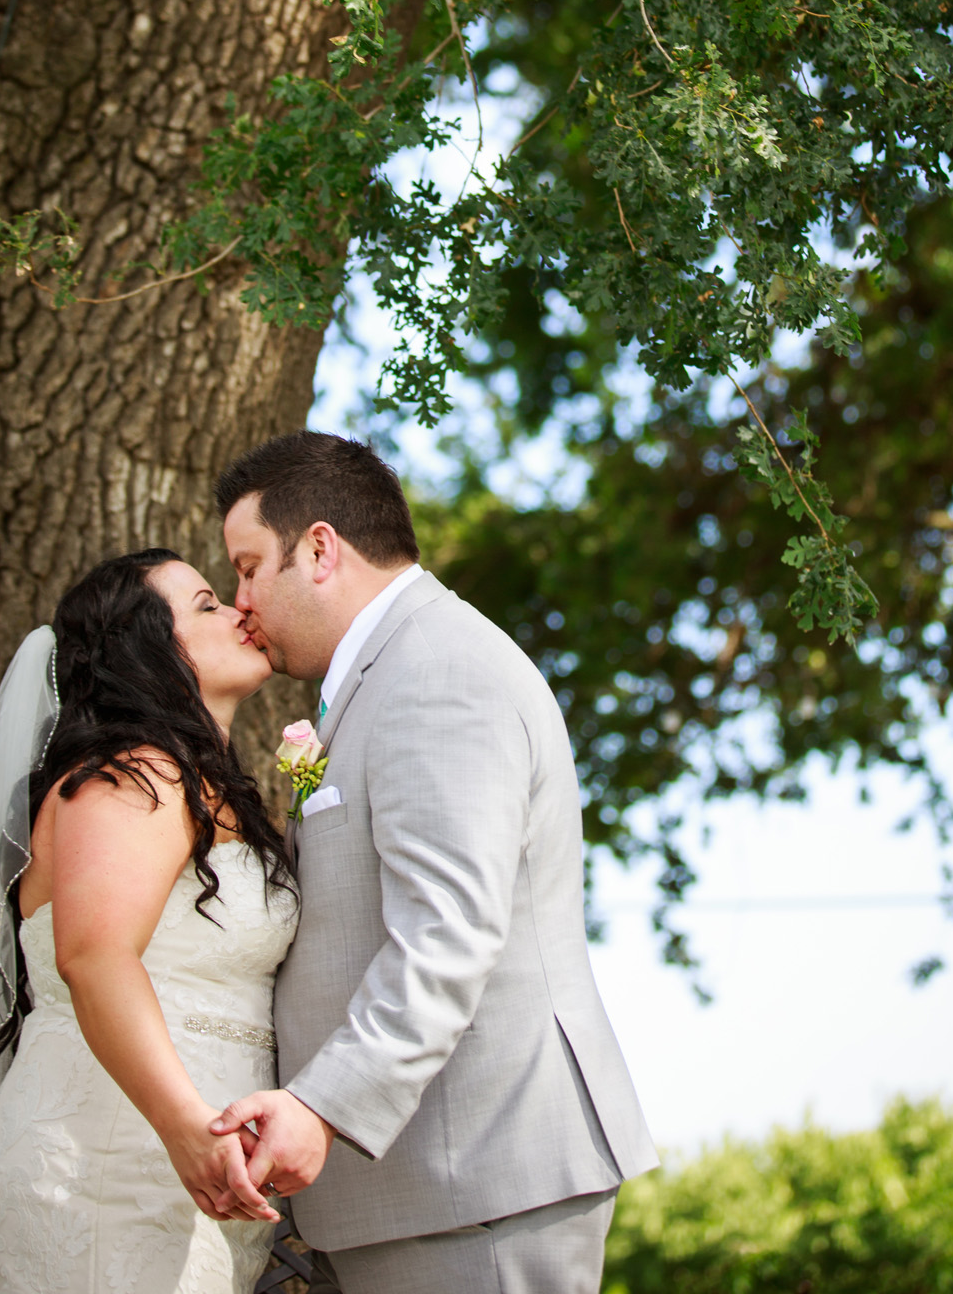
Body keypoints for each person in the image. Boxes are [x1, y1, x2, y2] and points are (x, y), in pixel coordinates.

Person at [212, 430, 657, 1294]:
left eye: (247, 565)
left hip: (477, 1180)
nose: (240, 600)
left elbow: (448, 932)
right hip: (432, 1186)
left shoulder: (438, 670)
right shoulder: (395, 669)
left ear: (317, 548)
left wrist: (324, 1103)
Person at [0, 547, 297, 1294]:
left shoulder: (208, 788)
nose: (239, 610)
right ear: (146, 649)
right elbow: (95, 956)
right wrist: (182, 1128)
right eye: (205, 604)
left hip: (183, 1186)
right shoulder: (130, 776)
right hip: (99, 1178)